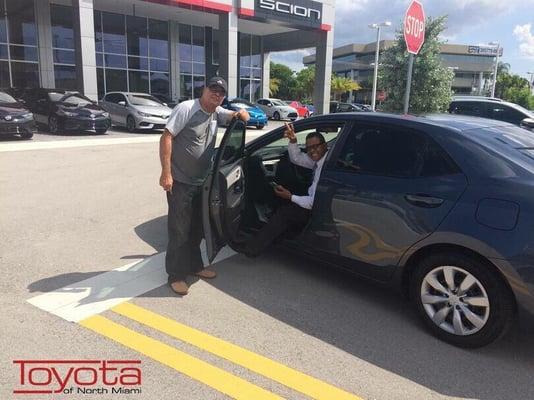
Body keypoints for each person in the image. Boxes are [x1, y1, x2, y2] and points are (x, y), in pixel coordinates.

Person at [159, 77, 250, 295]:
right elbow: (166, 137)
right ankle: (176, 275)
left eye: (221, 92)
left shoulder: (216, 112)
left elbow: (236, 115)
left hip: (202, 182)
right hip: (180, 181)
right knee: (179, 230)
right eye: (213, 89)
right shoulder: (186, 109)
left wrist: (241, 114)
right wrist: (166, 173)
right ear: (204, 89)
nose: (216, 94)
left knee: (198, 227)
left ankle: (195, 266)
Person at [238, 122, 329, 257]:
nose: (312, 151)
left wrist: (290, 196)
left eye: (316, 146)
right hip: (318, 204)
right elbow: (297, 158)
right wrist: (293, 141)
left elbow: (312, 203)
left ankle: (251, 249)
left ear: (325, 146)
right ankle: (279, 236)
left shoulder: (325, 167)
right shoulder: (319, 160)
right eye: (308, 147)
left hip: (318, 210)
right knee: (284, 199)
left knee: (285, 213)